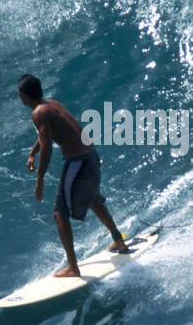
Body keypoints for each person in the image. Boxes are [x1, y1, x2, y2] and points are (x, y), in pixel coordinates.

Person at [19, 75, 130, 277]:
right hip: (91, 156)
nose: (20, 98)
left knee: (59, 213)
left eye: (20, 95)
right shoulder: (50, 104)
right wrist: (32, 153)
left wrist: (40, 180)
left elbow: (47, 147)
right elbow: (45, 136)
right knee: (94, 201)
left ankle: (73, 267)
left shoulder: (38, 113)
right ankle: (119, 242)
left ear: (24, 95)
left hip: (78, 162)